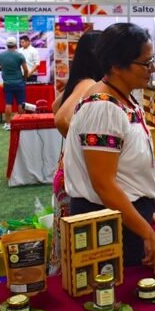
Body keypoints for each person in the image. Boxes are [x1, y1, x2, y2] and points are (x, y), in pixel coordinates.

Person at [64, 23, 155, 267]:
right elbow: (103, 185)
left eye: (152, 60)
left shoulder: (123, 97)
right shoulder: (102, 108)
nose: (152, 69)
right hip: (110, 224)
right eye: (146, 63)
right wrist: (145, 231)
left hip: (125, 217)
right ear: (117, 66)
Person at [49, 31, 102, 275]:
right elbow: (61, 118)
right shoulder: (89, 84)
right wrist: (83, 148)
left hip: (65, 173)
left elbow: (55, 106)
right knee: (77, 244)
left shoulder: (79, 82)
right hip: (73, 176)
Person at [0, 37, 28, 131]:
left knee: (8, 103)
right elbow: (25, 70)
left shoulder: (1, 55)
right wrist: (24, 79)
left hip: (7, 83)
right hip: (19, 82)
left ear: (7, 45)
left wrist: (3, 68)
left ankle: (8, 124)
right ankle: (21, 123)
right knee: (21, 103)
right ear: (15, 45)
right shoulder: (20, 55)